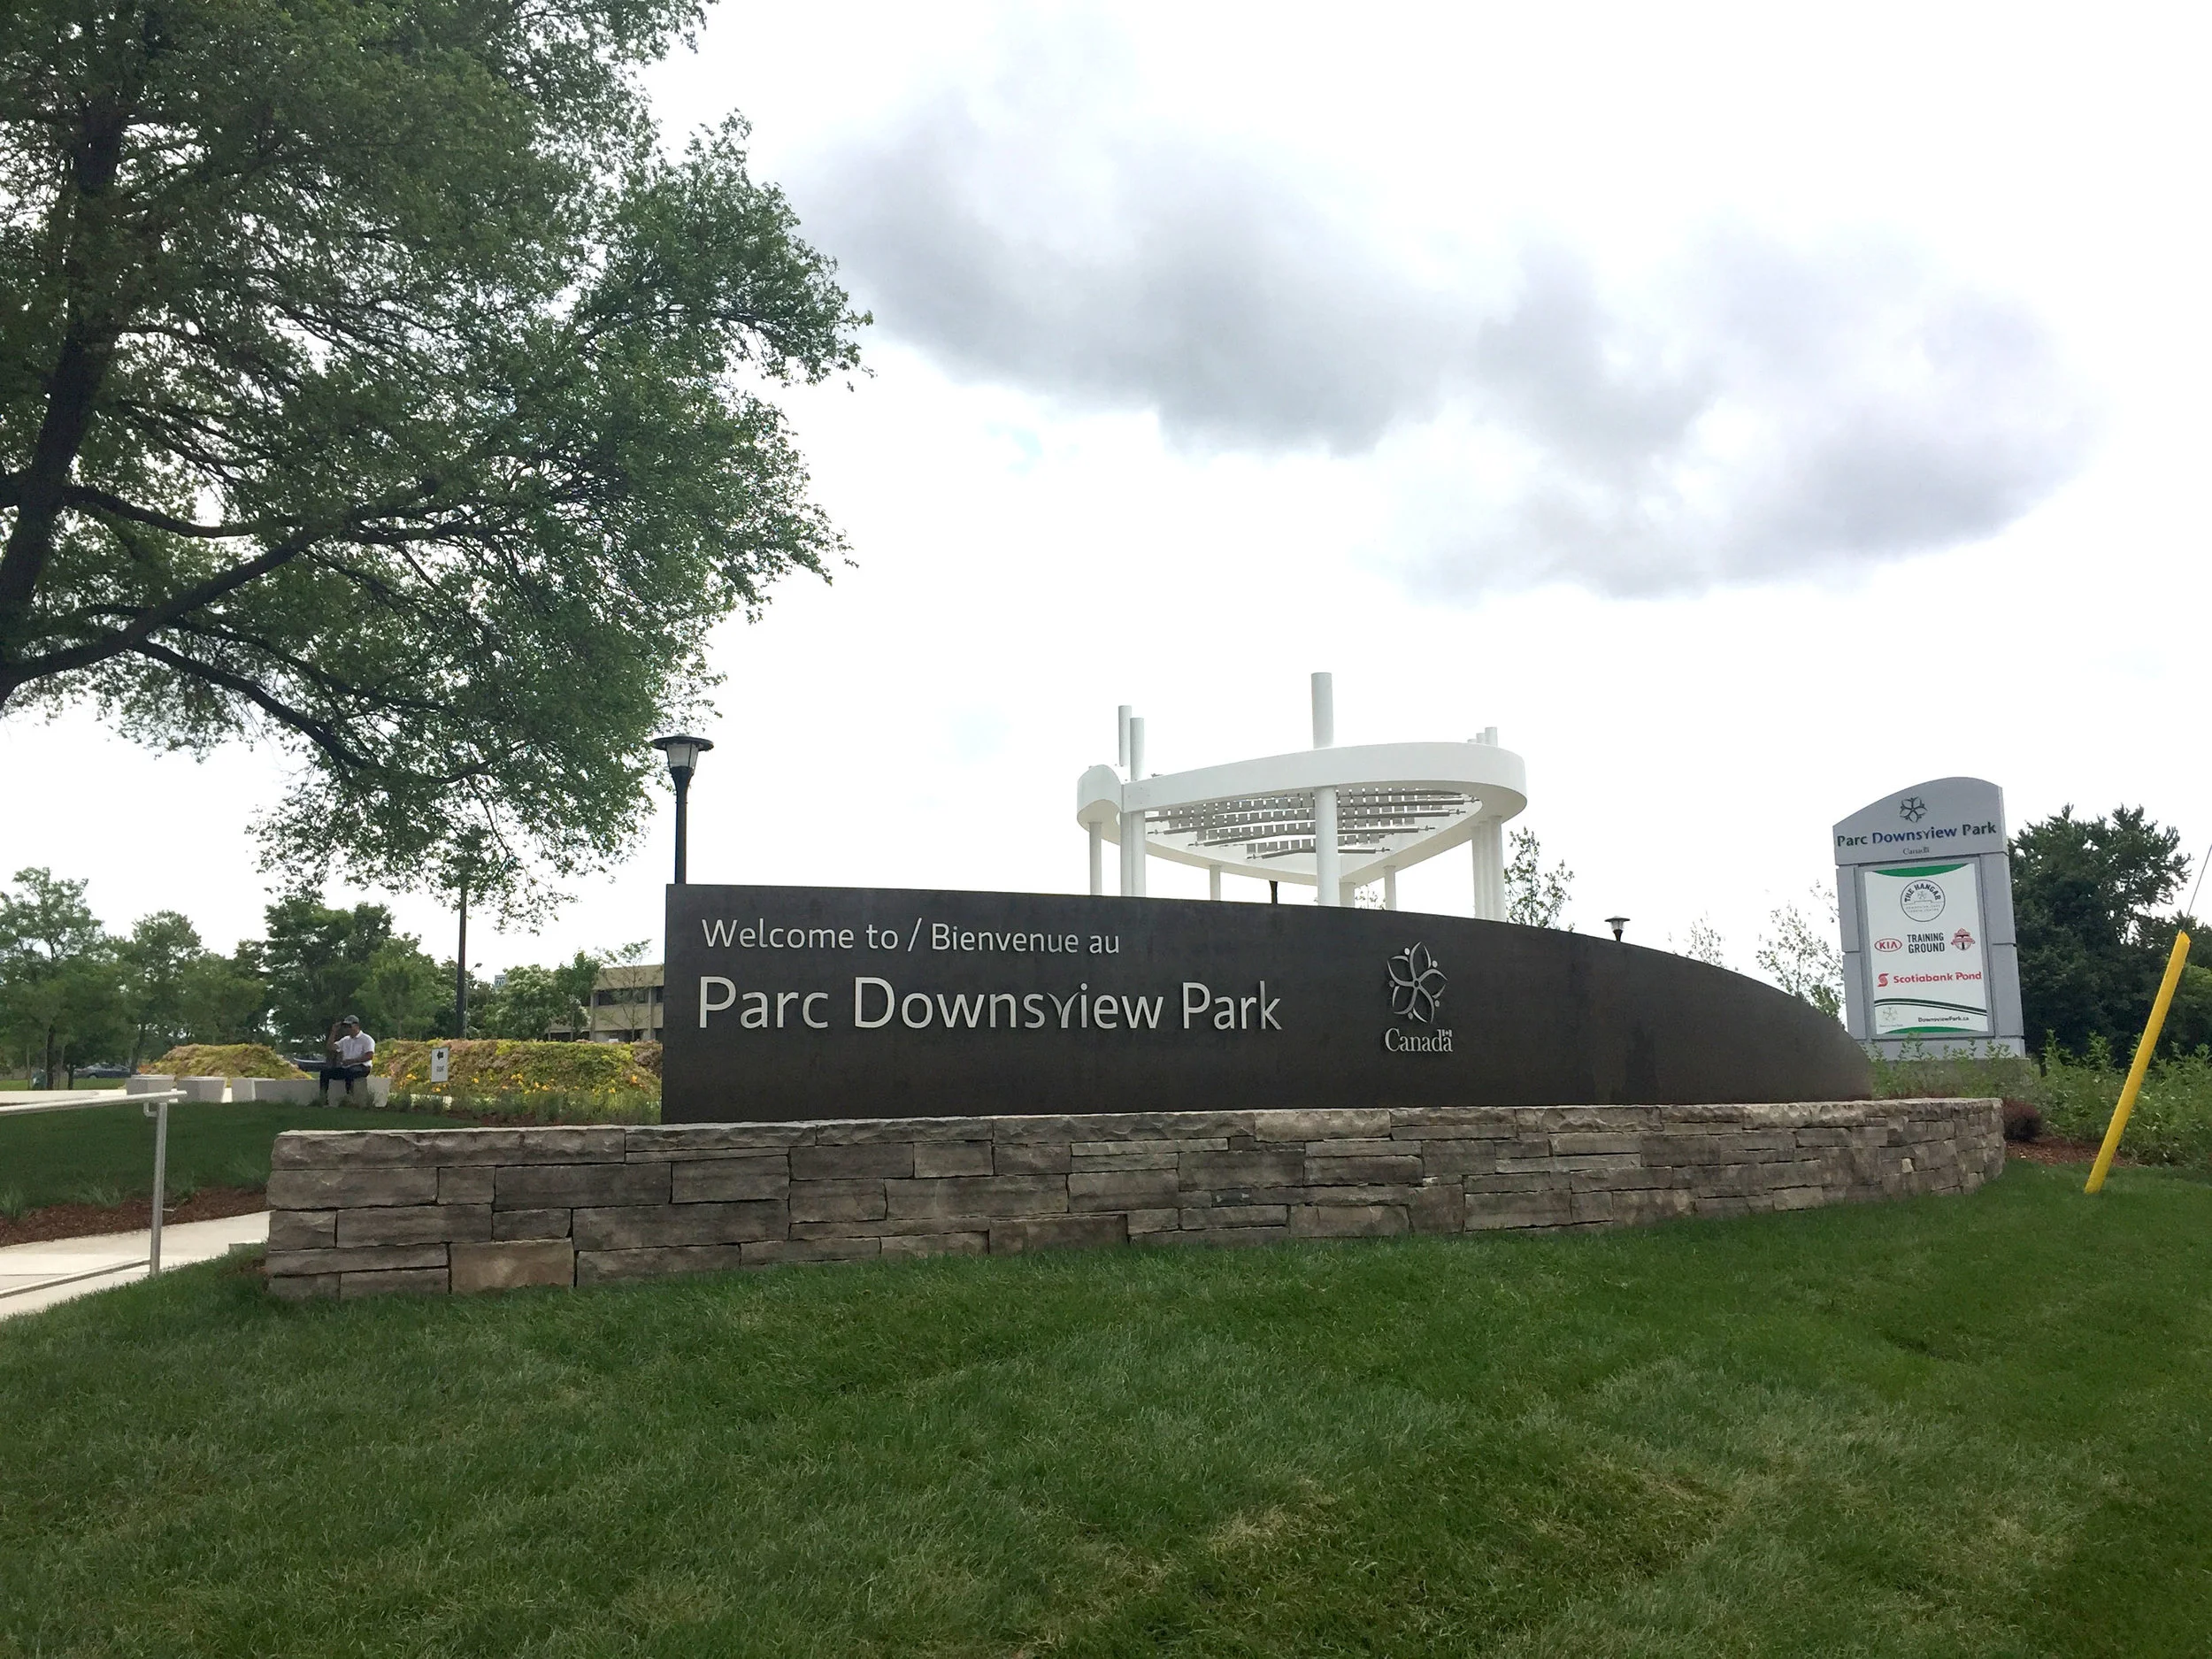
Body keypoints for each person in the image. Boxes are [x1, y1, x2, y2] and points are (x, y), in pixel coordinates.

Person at [318, 1016, 376, 1103]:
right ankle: (323, 1098)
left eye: (349, 1026)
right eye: (345, 1026)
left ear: (356, 1026)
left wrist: (352, 1061)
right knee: (325, 1072)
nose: (347, 1029)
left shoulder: (366, 1039)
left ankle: (350, 1098)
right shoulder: (345, 1040)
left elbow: (369, 1056)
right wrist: (333, 1031)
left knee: (350, 1072)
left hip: (362, 1067)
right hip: (347, 1067)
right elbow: (330, 1047)